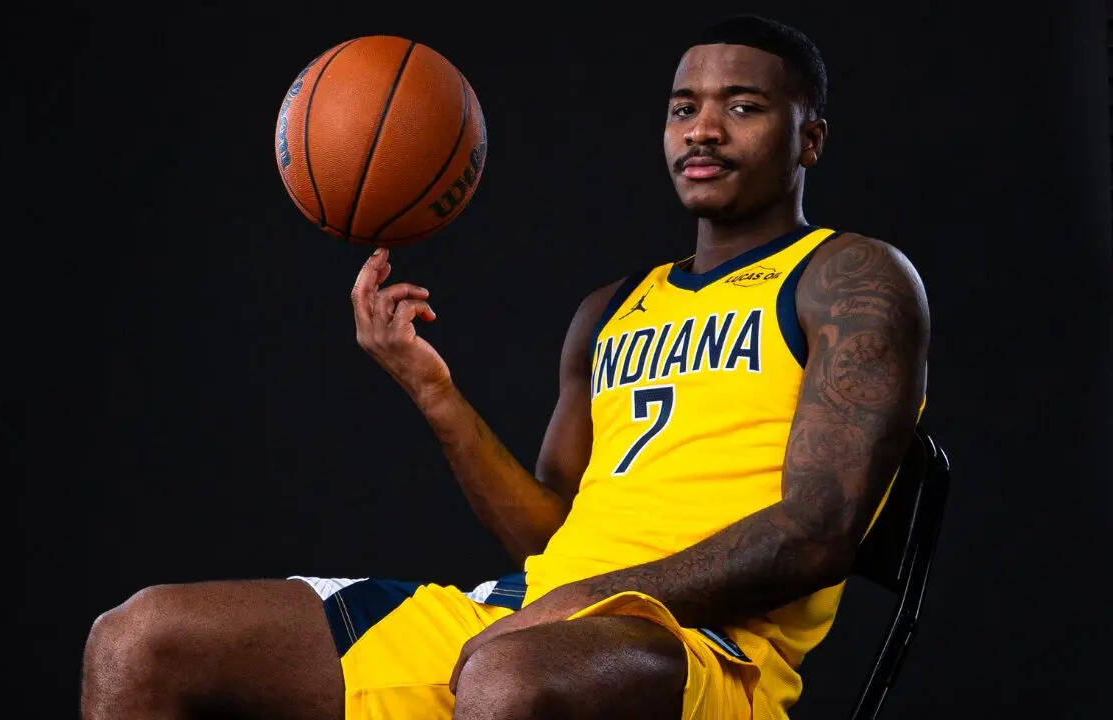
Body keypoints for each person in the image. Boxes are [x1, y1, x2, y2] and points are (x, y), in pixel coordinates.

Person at [81, 14, 929, 720]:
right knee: (140, 639)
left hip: (705, 650)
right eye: (683, 108)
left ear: (809, 138)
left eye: (742, 106)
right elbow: (546, 540)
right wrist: (432, 390)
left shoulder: (849, 277)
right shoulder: (611, 310)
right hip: (531, 618)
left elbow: (817, 534)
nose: (703, 129)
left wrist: (584, 600)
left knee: (508, 679)